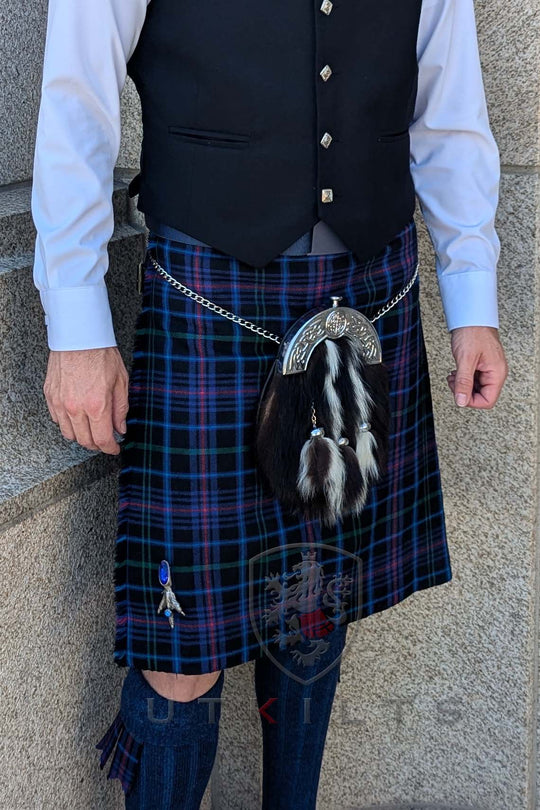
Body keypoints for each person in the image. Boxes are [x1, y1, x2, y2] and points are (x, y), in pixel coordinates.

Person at [31, 0, 508, 807]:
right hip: (206, 287)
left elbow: (446, 102)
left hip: (365, 292)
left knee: (317, 603)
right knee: (180, 649)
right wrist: (76, 324)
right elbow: (77, 94)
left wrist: (474, 300)